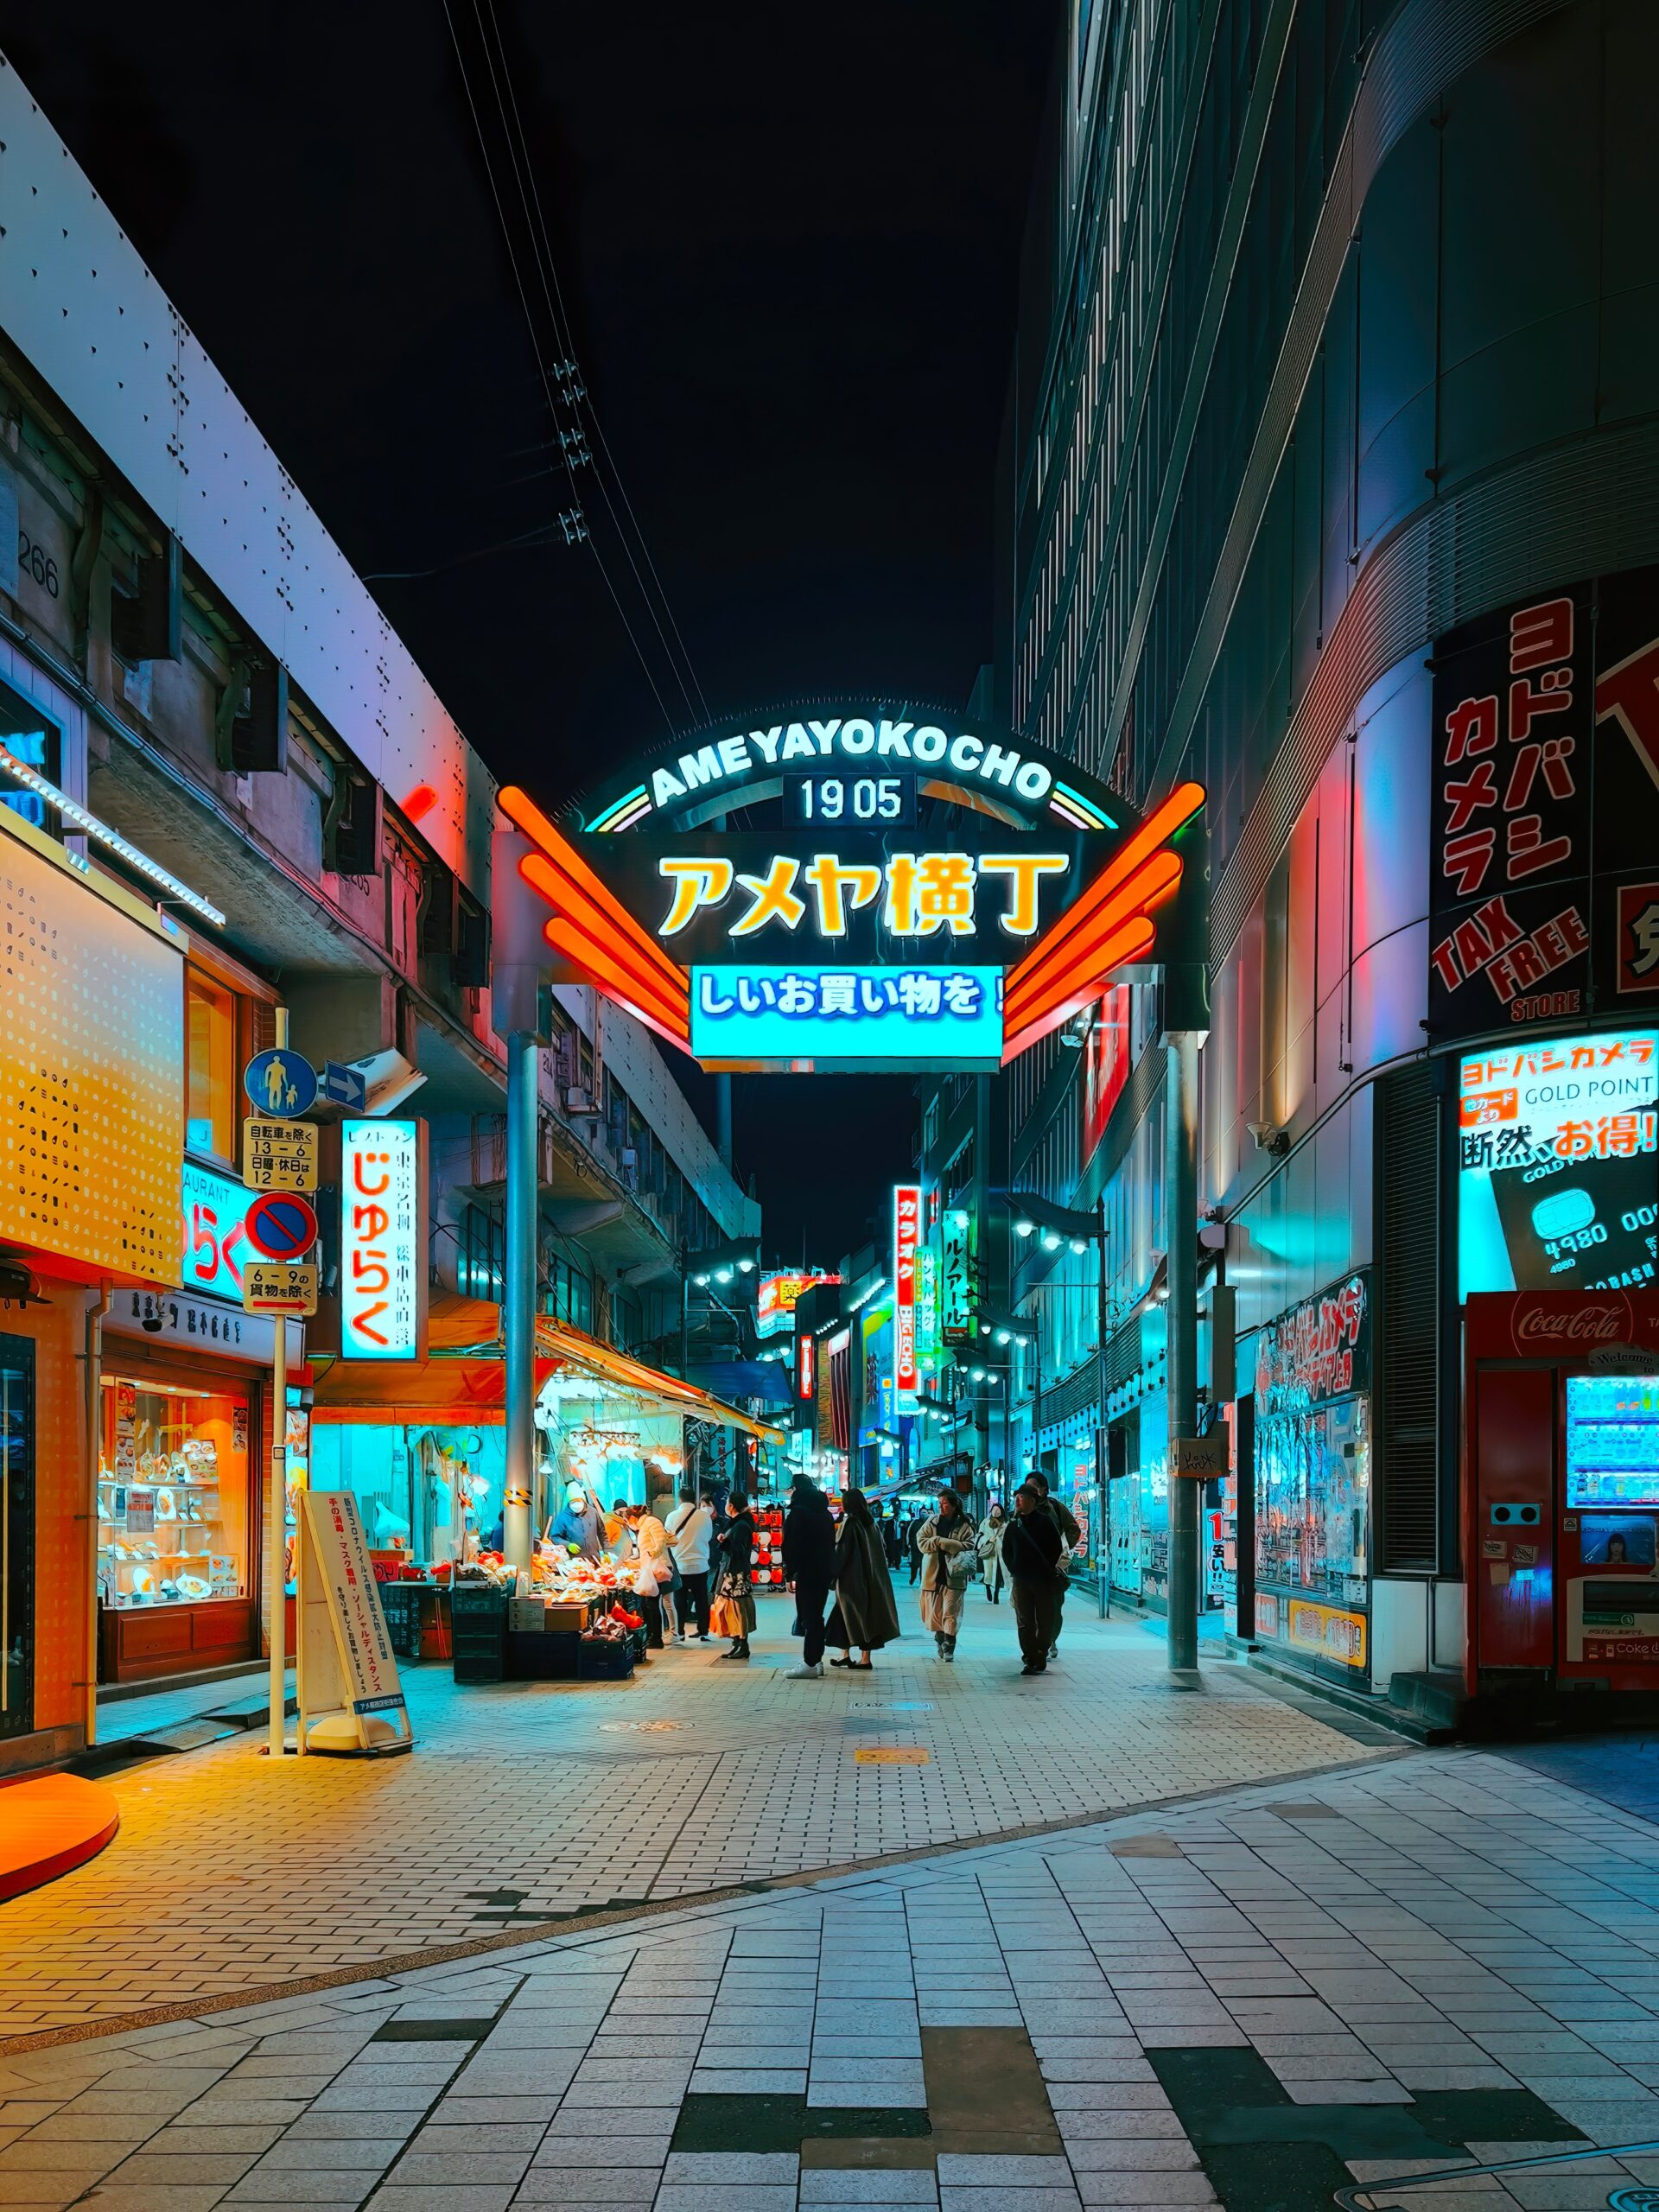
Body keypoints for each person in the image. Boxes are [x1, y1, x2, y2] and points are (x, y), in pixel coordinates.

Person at [826, 1485, 901, 1669]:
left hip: (851, 1580)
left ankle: (864, 1659)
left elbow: (842, 1552)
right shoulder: (871, 1523)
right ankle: (847, 1655)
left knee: (855, 1617)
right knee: (852, 1616)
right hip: (872, 1578)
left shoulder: (850, 1523)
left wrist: (831, 1576)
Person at [1002, 1481, 1064, 1675]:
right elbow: (1006, 1552)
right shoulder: (1013, 1525)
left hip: (1042, 1580)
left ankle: (1041, 1651)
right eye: (1017, 1497)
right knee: (1024, 1620)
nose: (1018, 1500)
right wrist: (1015, 1569)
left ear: (1032, 1500)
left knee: (1045, 1618)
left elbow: (1056, 1548)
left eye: (1021, 1497)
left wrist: (1045, 1568)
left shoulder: (1045, 1521)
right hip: (1021, 1580)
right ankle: (1029, 1657)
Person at [781, 1472, 837, 1678]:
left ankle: (810, 1663)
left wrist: (790, 1574)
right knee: (816, 1615)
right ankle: (816, 1660)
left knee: (809, 1617)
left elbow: (791, 1546)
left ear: (796, 1489)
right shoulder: (824, 1513)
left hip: (807, 1571)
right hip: (823, 1571)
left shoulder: (798, 1513)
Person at [916, 1486, 977, 1661]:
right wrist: (937, 1541)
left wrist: (946, 1544)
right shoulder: (932, 1522)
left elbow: (968, 1546)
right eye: (939, 1503)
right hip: (933, 1576)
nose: (941, 1507)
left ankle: (949, 1645)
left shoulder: (964, 1525)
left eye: (944, 1504)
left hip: (955, 1576)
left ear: (954, 1505)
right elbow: (921, 1543)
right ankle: (940, 1639)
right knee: (935, 1614)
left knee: (951, 1611)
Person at [1031, 1471, 1080, 1660]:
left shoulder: (1055, 1507)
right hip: (1030, 1569)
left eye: (1035, 1488)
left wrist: (1063, 1548)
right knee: (1029, 1608)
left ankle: (1050, 1639)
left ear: (1044, 1489)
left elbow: (1074, 1529)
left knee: (1053, 1607)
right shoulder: (1022, 1507)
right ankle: (1035, 1643)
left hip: (1054, 1568)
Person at [664, 1483, 714, 1643]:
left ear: (680, 1499)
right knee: (701, 1599)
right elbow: (708, 1537)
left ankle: (680, 1631)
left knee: (680, 1599)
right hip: (700, 1564)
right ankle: (703, 1630)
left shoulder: (672, 1517)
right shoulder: (704, 1516)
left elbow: (667, 1539)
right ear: (694, 1499)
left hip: (680, 1565)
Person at [712, 1489, 757, 1661]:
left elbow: (739, 1550)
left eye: (726, 1503)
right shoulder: (737, 1523)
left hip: (736, 1574)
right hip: (733, 1572)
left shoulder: (741, 1525)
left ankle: (742, 1645)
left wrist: (724, 1542)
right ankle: (736, 1643)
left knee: (738, 1610)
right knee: (732, 1610)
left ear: (731, 1506)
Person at [625, 1502, 675, 1649]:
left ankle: (656, 1638)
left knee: (652, 1603)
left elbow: (660, 1541)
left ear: (632, 1518)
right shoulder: (643, 1526)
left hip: (659, 1568)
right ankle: (652, 1636)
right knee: (647, 1604)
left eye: (627, 1521)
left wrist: (653, 1553)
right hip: (650, 1568)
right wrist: (630, 1563)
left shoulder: (652, 1522)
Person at [545, 1479, 607, 1560]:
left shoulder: (593, 1512)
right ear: (568, 1502)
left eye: (578, 1500)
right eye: (573, 1501)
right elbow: (555, 1537)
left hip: (594, 1559)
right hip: (575, 1561)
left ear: (583, 1500)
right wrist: (567, 1545)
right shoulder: (563, 1517)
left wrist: (607, 1551)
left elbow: (602, 1533)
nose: (576, 1504)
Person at [976, 1503, 1007, 1604]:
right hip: (988, 1551)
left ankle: (996, 1594)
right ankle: (988, 1588)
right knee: (988, 1572)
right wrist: (988, 1539)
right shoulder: (985, 1522)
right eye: (994, 1510)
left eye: (998, 1510)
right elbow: (979, 1535)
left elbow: (1007, 1538)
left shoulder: (1004, 1524)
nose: (996, 1512)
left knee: (998, 1573)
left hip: (999, 1552)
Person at [906, 1512, 925, 1586]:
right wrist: (909, 1544)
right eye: (922, 1512)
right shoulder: (914, 1523)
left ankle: (922, 1581)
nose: (923, 1514)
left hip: (924, 1548)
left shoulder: (928, 1523)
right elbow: (909, 1533)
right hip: (915, 1548)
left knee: (923, 1566)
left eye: (925, 1512)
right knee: (914, 1565)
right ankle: (913, 1577)